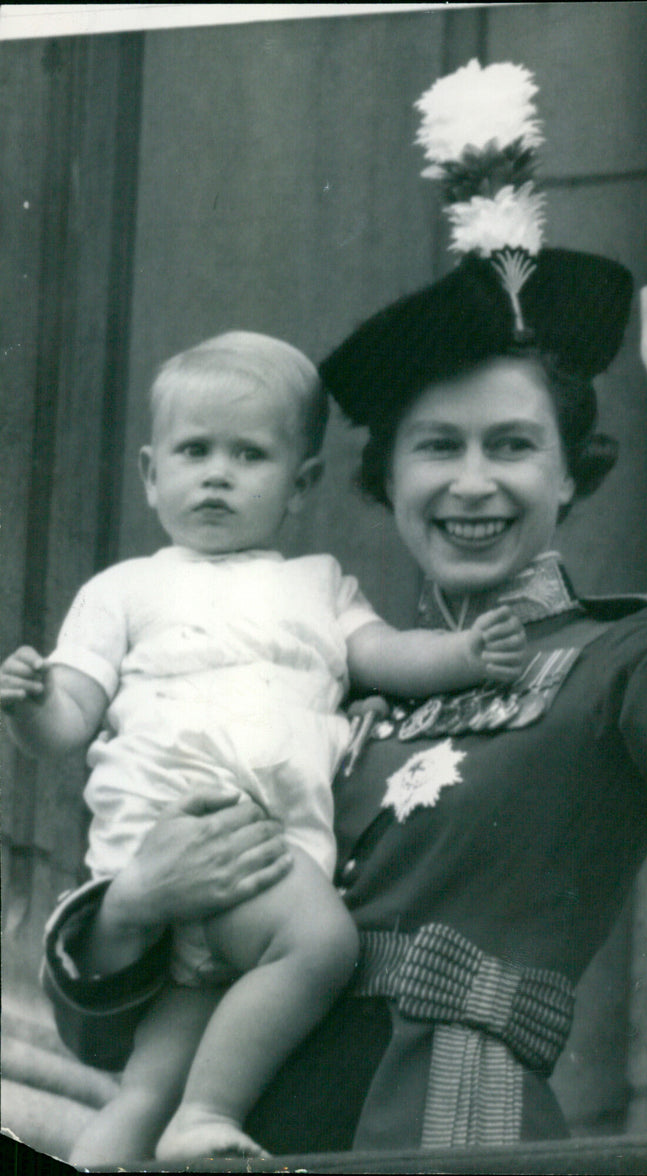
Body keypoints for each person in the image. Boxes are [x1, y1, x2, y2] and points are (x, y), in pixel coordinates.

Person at [37, 61, 647, 1158]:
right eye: (436, 448)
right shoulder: (307, 675)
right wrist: (133, 903)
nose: (471, 484)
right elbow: (103, 1027)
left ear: (571, 477)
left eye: (513, 447)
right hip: (240, 1128)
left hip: (441, 1127)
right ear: (384, 479)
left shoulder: (610, 658)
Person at [0, 329, 528, 1164]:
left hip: (259, 862)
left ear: (299, 484)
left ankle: (118, 1145)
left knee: (148, 1079)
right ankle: (205, 1118)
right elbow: (67, 720)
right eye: (194, 450)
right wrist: (28, 705)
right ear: (150, 473)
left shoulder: (318, 587)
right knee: (320, 944)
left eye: (249, 455)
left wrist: (463, 656)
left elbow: (384, 654)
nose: (217, 472)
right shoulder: (123, 590)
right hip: (175, 839)